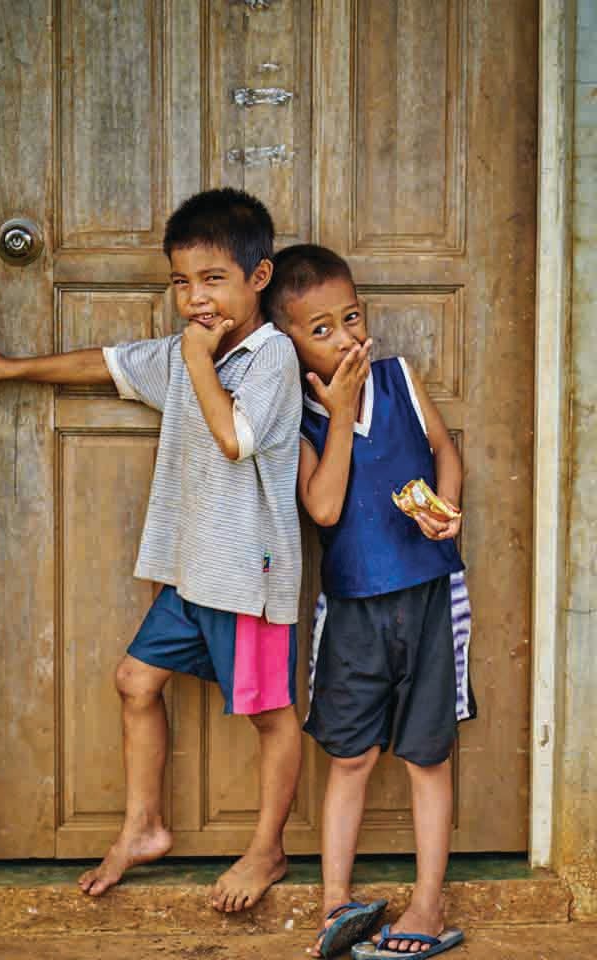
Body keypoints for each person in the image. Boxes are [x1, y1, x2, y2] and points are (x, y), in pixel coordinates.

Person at [0, 188, 303, 914]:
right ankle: (144, 825)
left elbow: (235, 439)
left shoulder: (270, 357)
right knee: (134, 682)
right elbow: (110, 364)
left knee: (271, 715)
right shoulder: (188, 351)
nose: (194, 298)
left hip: (248, 578)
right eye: (181, 282)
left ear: (258, 279)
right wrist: (9, 368)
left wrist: (199, 359)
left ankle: (267, 848)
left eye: (213, 280)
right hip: (191, 573)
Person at [264, 245, 474, 958]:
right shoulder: (294, 419)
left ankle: (427, 901)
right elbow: (323, 508)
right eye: (321, 329)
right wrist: (341, 410)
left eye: (351, 318)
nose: (347, 337)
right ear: (287, 345)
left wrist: (447, 504)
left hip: (428, 594)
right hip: (351, 608)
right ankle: (334, 903)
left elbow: (446, 450)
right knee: (350, 758)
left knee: (427, 756)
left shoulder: (401, 379)